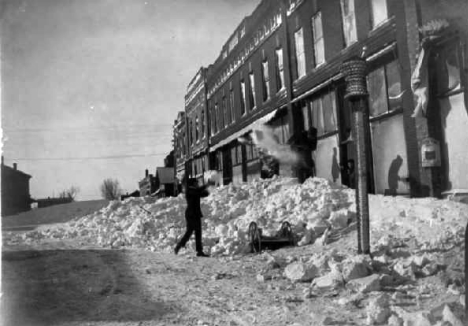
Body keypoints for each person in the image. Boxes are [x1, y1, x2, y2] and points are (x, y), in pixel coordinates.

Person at [174, 177, 211, 257]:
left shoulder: (195, 190)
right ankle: (179, 245)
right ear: (193, 184)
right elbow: (198, 191)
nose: (197, 184)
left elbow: (204, 194)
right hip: (191, 214)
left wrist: (207, 189)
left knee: (198, 232)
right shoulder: (190, 190)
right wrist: (206, 185)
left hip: (196, 214)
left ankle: (199, 251)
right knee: (189, 232)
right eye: (196, 183)